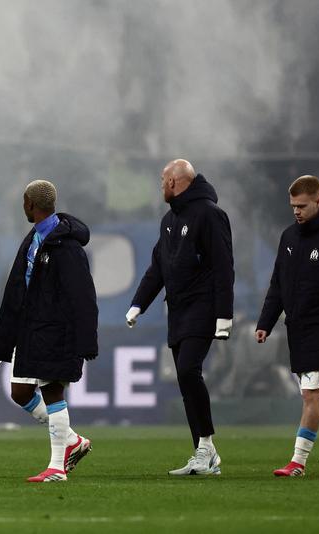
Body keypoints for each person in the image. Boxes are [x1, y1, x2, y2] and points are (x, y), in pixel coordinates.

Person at [126, 159, 234, 475]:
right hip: (177, 310)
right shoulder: (169, 220)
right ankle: (205, 452)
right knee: (185, 380)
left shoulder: (211, 215)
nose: (161, 185)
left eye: (163, 179)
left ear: (174, 182)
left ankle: (206, 447)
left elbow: (224, 266)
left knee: (188, 370)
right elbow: (158, 267)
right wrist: (138, 304)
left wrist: (224, 315)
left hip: (203, 307)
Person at [0, 180, 98, 482]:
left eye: (24, 202)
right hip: (30, 330)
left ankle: (57, 468)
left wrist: (86, 339)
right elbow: (18, 289)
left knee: (52, 391)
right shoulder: (34, 238)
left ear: (30, 204)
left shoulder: (67, 245)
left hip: (55, 330)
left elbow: (83, 295)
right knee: (20, 392)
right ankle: (72, 440)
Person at [255, 176, 319, 477]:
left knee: (311, 394)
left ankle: (298, 462)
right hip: (297, 329)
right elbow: (278, 284)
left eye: (302, 206)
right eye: (293, 207)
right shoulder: (289, 236)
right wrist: (265, 322)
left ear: (318, 201)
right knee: (317, 395)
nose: (296, 211)